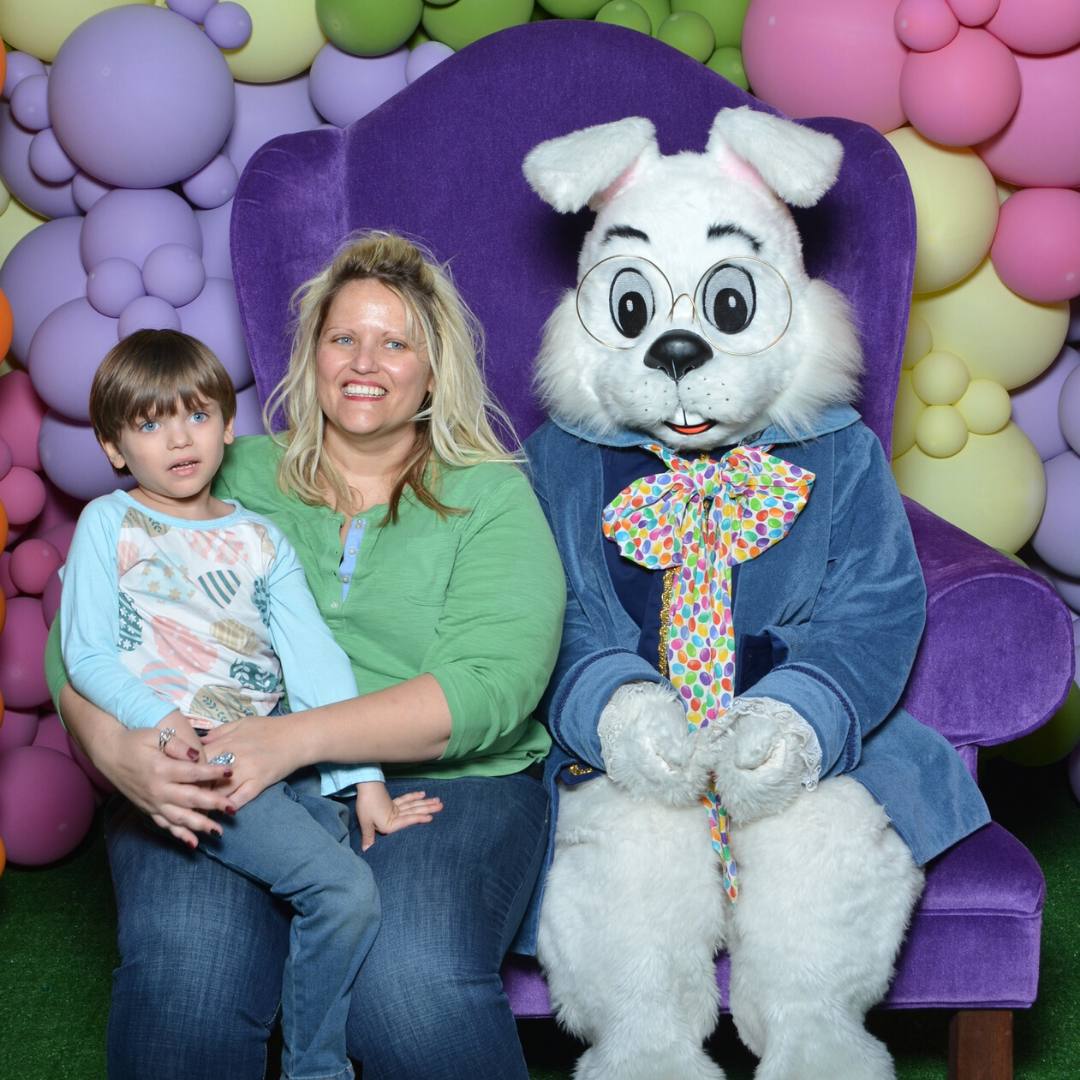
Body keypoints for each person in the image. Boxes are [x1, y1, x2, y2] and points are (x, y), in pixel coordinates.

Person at [46, 232, 566, 1080]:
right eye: (343, 338)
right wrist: (115, 753)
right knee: (190, 981)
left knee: (410, 987)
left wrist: (303, 738)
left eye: (395, 342)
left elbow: (490, 687)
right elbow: (77, 638)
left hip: (448, 784)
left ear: (433, 370)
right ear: (312, 354)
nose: (365, 361)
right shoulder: (221, 469)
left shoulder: (492, 493)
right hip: (234, 767)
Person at [60, 329, 443, 1080]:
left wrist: (365, 781)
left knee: (330, 868)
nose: (178, 438)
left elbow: (314, 664)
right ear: (113, 448)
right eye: (148, 424)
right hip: (197, 749)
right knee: (344, 892)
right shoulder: (110, 523)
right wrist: (163, 722)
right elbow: (87, 656)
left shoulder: (258, 538)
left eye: (196, 415)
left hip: (274, 744)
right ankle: (318, 1070)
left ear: (228, 425)